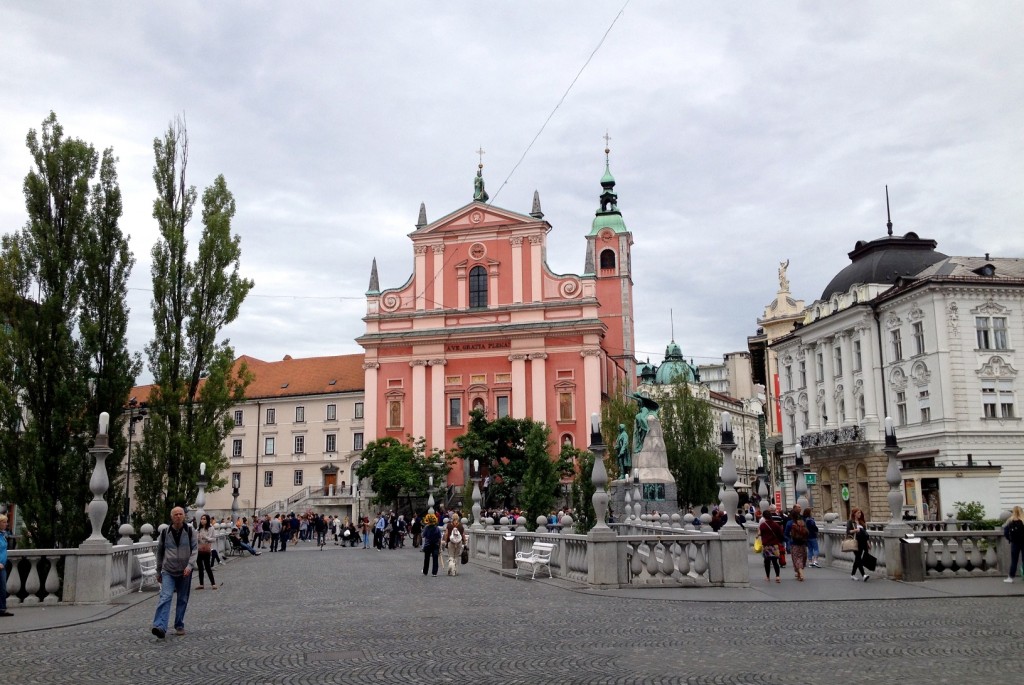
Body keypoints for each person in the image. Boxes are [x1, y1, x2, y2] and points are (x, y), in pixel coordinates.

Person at [151, 506, 198, 638]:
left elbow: (195, 549)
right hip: (168, 570)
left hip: (185, 571)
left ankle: (179, 624)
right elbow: (160, 552)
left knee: (182, 598)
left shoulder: (189, 530)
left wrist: (190, 566)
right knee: (165, 597)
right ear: (172, 517)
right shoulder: (165, 532)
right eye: (175, 514)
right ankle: (160, 626)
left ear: (184, 516)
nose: (178, 516)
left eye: (180, 514)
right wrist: (158, 571)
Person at [759, 510, 785, 583]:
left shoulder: (763, 525)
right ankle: (777, 576)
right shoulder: (775, 525)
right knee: (775, 562)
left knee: (767, 562)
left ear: (764, 517)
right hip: (774, 545)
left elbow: (762, 534)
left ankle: (768, 576)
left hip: (766, 546)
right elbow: (780, 534)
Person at [195, 514, 218, 590]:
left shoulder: (211, 528)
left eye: (204, 519)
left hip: (207, 550)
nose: (202, 520)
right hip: (199, 549)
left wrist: (206, 538)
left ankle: (213, 584)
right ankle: (201, 584)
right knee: (200, 567)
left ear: (207, 520)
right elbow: (194, 538)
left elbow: (214, 539)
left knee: (207, 567)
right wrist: (197, 538)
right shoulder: (199, 528)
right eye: (201, 519)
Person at [848, 508, 870, 581]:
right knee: (858, 558)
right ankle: (863, 575)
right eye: (858, 513)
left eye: (860, 513)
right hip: (855, 542)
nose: (859, 514)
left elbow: (865, 533)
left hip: (863, 542)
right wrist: (855, 530)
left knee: (858, 558)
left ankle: (852, 574)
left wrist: (868, 542)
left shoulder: (862, 522)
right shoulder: (851, 522)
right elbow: (848, 531)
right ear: (854, 514)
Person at [1003, 505, 1024, 583]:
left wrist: (1010, 539)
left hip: (1015, 543)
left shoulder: (1010, 521)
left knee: (1014, 561)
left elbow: (1005, 532)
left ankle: (1010, 577)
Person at [0, 514, 11, 617]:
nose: (6, 524)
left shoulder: (3, 535)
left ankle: (2, 608)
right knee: (2, 587)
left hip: (3, 565)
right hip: (0, 565)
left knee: (3, 587)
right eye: (4, 522)